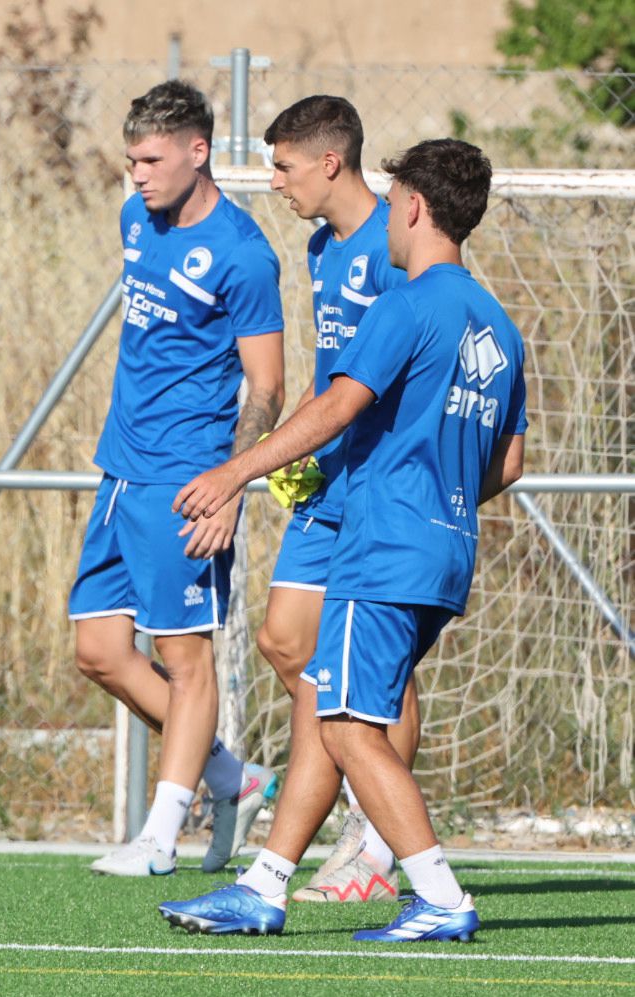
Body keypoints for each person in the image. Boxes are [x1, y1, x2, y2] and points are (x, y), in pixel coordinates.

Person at [160, 138, 527, 941]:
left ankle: (438, 895)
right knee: (333, 708)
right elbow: (511, 461)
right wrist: (441, 494)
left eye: (395, 202)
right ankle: (266, 883)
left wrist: (233, 474)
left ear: (414, 208)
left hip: (384, 549)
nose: (388, 217)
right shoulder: (498, 324)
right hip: (443, 548)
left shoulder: (408, 301)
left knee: (352, 728)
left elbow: (336, 407)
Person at [74, 81, 285, 877]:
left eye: (152, 159)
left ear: (199, 152)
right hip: (120, 472)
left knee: (185, 657)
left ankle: (161, 837)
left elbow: (266, 384)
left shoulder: (242, 254)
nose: (137, 175)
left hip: (184, 484)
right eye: (131, 159)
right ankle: (231, 778)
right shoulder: (136, 219)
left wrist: (230, 482)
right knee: (98, 651)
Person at [259, 95, 418, 904]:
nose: (274, 184)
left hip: (382, 485)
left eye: (283, 167)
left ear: (329, 162)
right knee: (287, 641)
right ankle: (353, 771)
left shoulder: (397, 240)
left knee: (375, 661)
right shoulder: (323, 248)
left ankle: (373, 835)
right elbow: (332, 373)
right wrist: (301, 445)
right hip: (328, 476)